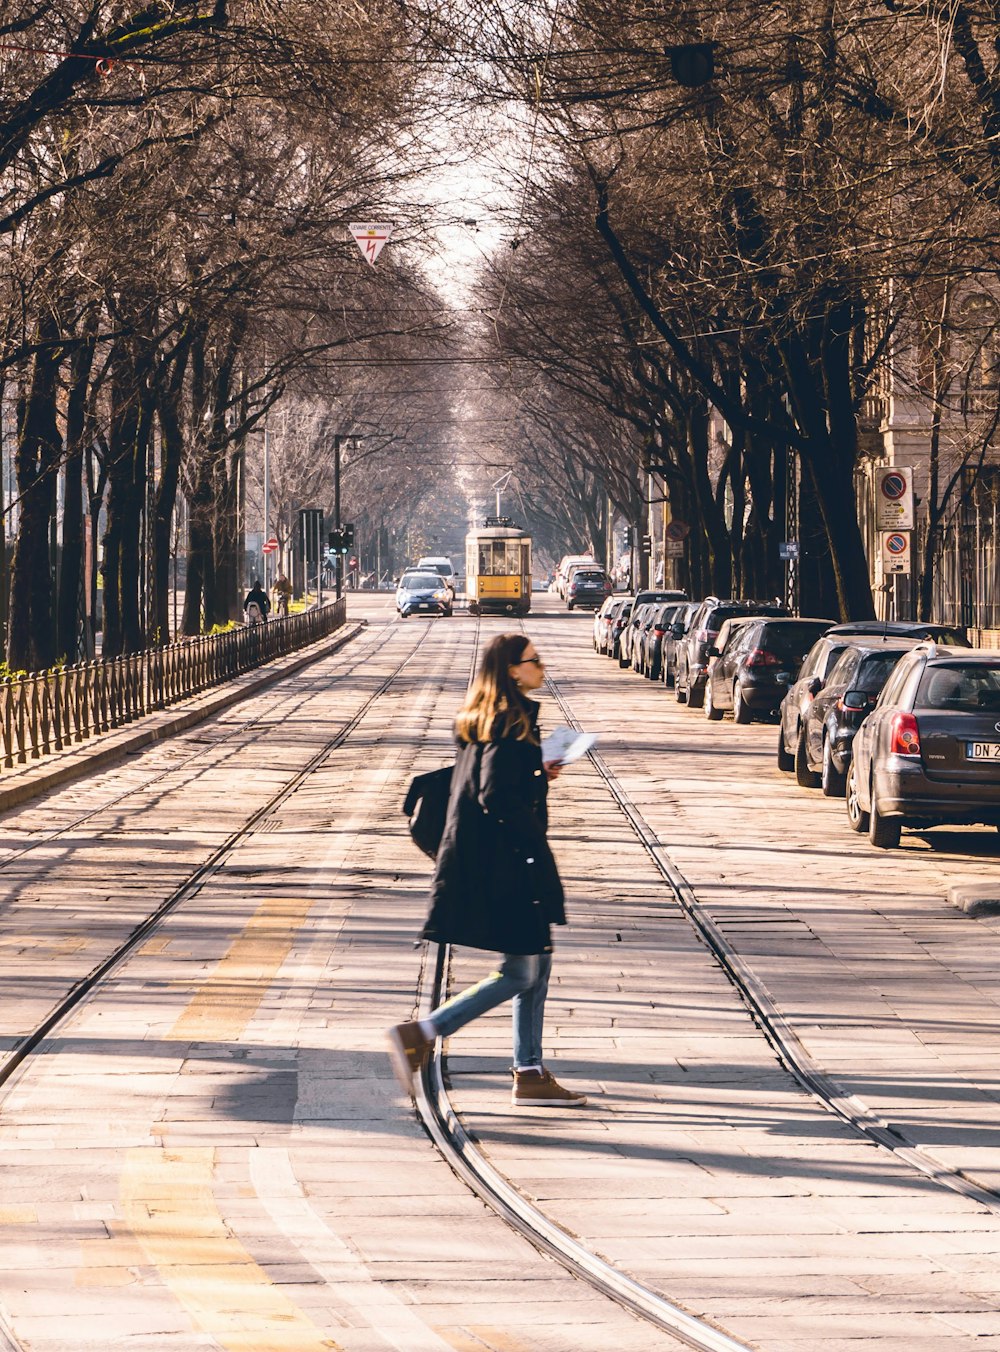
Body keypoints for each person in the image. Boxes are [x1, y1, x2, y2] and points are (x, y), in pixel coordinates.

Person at [387, 633, 586, 1109]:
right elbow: (495, 794)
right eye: (534, 660)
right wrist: (529, 834)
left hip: (497, 863)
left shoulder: (493, 721)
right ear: (513, 670)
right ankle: (423, 1033)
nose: (542, 666)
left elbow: (495, 781)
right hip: (508, 867)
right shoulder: (508, 724)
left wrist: (539, 771)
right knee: (521, 972)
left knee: (537, 963)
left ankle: (529, 1069)